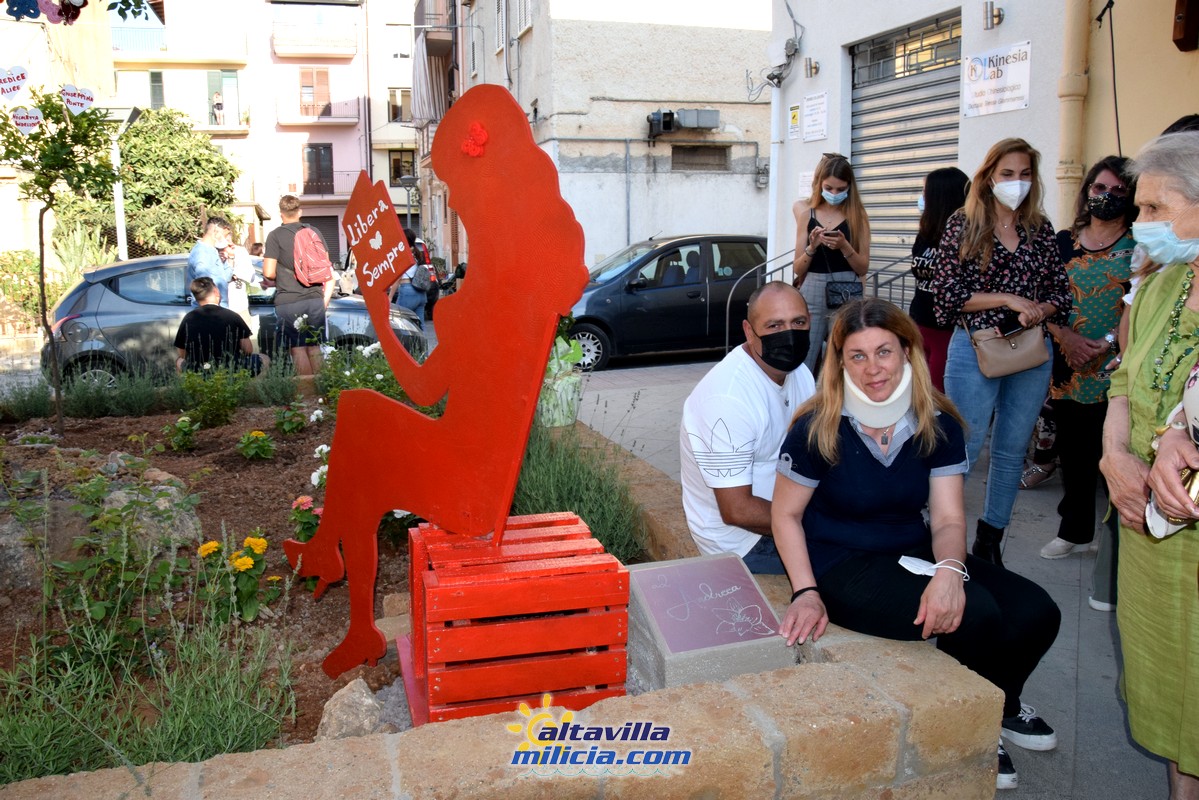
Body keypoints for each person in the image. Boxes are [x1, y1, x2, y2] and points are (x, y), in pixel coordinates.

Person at [772, 298, 1061, 792]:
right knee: (977, 614)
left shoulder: (936, 420)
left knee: (1037, 611)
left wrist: (949, 571)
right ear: (840, 363)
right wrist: (805, 591)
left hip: (912, 550)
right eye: (857, 356)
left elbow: (947, 518)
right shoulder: (817, 425)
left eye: (883, 351)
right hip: (842, 562)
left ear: (907, 351)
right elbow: (785, 514)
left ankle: (1002, 704)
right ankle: (973, 728)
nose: (873, 368)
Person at [1099, 131, 1199, 800]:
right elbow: (1123, 381)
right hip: (1145, 527)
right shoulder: (1163, 286)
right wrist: (1113, 457)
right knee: (1165, 683)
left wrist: (1175, 436)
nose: (1140, 224)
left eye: (1156, 209)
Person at [930, 138, 1071, 566]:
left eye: (1025, 173)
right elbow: (946, 294)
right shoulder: (963, 223)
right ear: (989, 176)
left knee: (1011, 451)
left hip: (1029, 353)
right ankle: (940, 537)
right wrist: (1008, 298)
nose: (1017, 182)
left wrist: (1039, 309)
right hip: (975, 349)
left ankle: (989, 542)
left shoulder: (1040, 229)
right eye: (1007, 173)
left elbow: (1060, 294)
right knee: (964, 447)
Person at [1038, 157, 1135, 587]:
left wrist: (1109, 341)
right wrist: (1067, 339)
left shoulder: (1141, 246)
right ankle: (1074, 532)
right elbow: (1043, 298)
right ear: (1087, 191)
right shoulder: (1063, 242)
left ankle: (1117, 543)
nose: (1106, 197)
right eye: (1099, 188)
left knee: (1116, 454)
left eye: (1117, 190)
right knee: (1074, 453)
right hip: (1068, 363)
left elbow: (1139, 304)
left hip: (1116, 364)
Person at [680, 281, 816, 573]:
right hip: (743, 541)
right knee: (850, 557)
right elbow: (737, 510)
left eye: (798, 322)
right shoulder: (727, 398)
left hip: (788, 509)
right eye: (774, 325)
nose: (789, 334)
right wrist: (819, 521)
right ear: (749, 331)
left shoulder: (799, 373)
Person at [791, 153, 872, 376]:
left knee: (841, 359)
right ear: (819, 184)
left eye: (840, 189)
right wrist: (812, 246)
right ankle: (804, 398)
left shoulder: (858, 216)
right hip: (812, 289)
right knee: (804, 358)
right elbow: (797, 268)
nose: (834, 194)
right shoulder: (807, 214)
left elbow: (863, 267)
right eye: (829, 188)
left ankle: (836, 397)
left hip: (846, 291)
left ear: (849, 187)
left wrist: (844, 246)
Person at [910, 167, 969, 391]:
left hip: (947, 331)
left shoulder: (966, 238)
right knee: (917, 393)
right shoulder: (925, 234)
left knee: (939, 396)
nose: (921, 198)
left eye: (925, 192)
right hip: (919, 324)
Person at [262, 194, 335, 376]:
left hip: (289, 300)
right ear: (299, 212)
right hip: (314, 298)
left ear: (281, 214)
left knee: (297, 347)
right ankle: (322, 387)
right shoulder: (313, 232)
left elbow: (268, 272)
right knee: (314, 346)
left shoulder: (275, 236)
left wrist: (280, 275)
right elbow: (325, 266)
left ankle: (307, 389)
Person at [173, 277, 269, 375]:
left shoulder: (188, 319)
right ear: (216, 292)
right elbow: (248, 350)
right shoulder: (232, 316)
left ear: (196, 297)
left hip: (201, 369)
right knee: (265, 359)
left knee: (179, 361)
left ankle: (190, 384)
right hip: (232, 368)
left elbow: (182, 354)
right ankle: (249, 385)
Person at [187, 217, 234, 308]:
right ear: (216, 232)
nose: (226, 240)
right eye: (225, 235)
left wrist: (230, 258)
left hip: (218, 309)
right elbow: (204, 291)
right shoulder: (202, 254)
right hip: (209, 311)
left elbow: (225, 279)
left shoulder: (213, 251)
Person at [220, 241, 259, 333]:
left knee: (244, 337)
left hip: (240, 306)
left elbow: (251, 276)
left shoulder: (240, 251)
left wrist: (235, 274)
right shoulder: (213, 252)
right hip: (221, 307)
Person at [392, 226, 427, 326]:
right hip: (421, 293)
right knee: (420, 327)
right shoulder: (418, 254)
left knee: (399, 323)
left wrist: (390, 297)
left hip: (407, 291)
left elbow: (398, 278)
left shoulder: (403, 255)